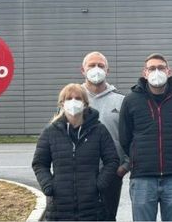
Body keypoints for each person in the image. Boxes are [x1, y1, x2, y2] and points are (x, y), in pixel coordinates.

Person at [119, 53, 172, 222]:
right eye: (152, 68)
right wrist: (137, 158)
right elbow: (125, 138)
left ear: (169, 71)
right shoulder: (131, 100)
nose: (156, 71)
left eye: (161, 67)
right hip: (142, 178)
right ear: (144, 73)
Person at [32, 83, 120, 221]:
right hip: (59, 208)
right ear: (62, 103)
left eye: (78, 98)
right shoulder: (50, 132)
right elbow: (39, 163)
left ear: (85, 103)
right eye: (69, 98)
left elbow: (112, 160)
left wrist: (99, 184)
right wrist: (49, 186)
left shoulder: (99, 130)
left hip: (92, 207)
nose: (73, 102)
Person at [79, 51, 128, 221]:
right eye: (91, 65)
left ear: (108, 70)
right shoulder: (72, 99)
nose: (96, 69)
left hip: (112, 173)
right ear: (82, 70)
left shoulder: (121, 101)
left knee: (108, 217)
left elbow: (131, 137)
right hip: (80, 173)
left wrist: (125, 167)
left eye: (100, 65)